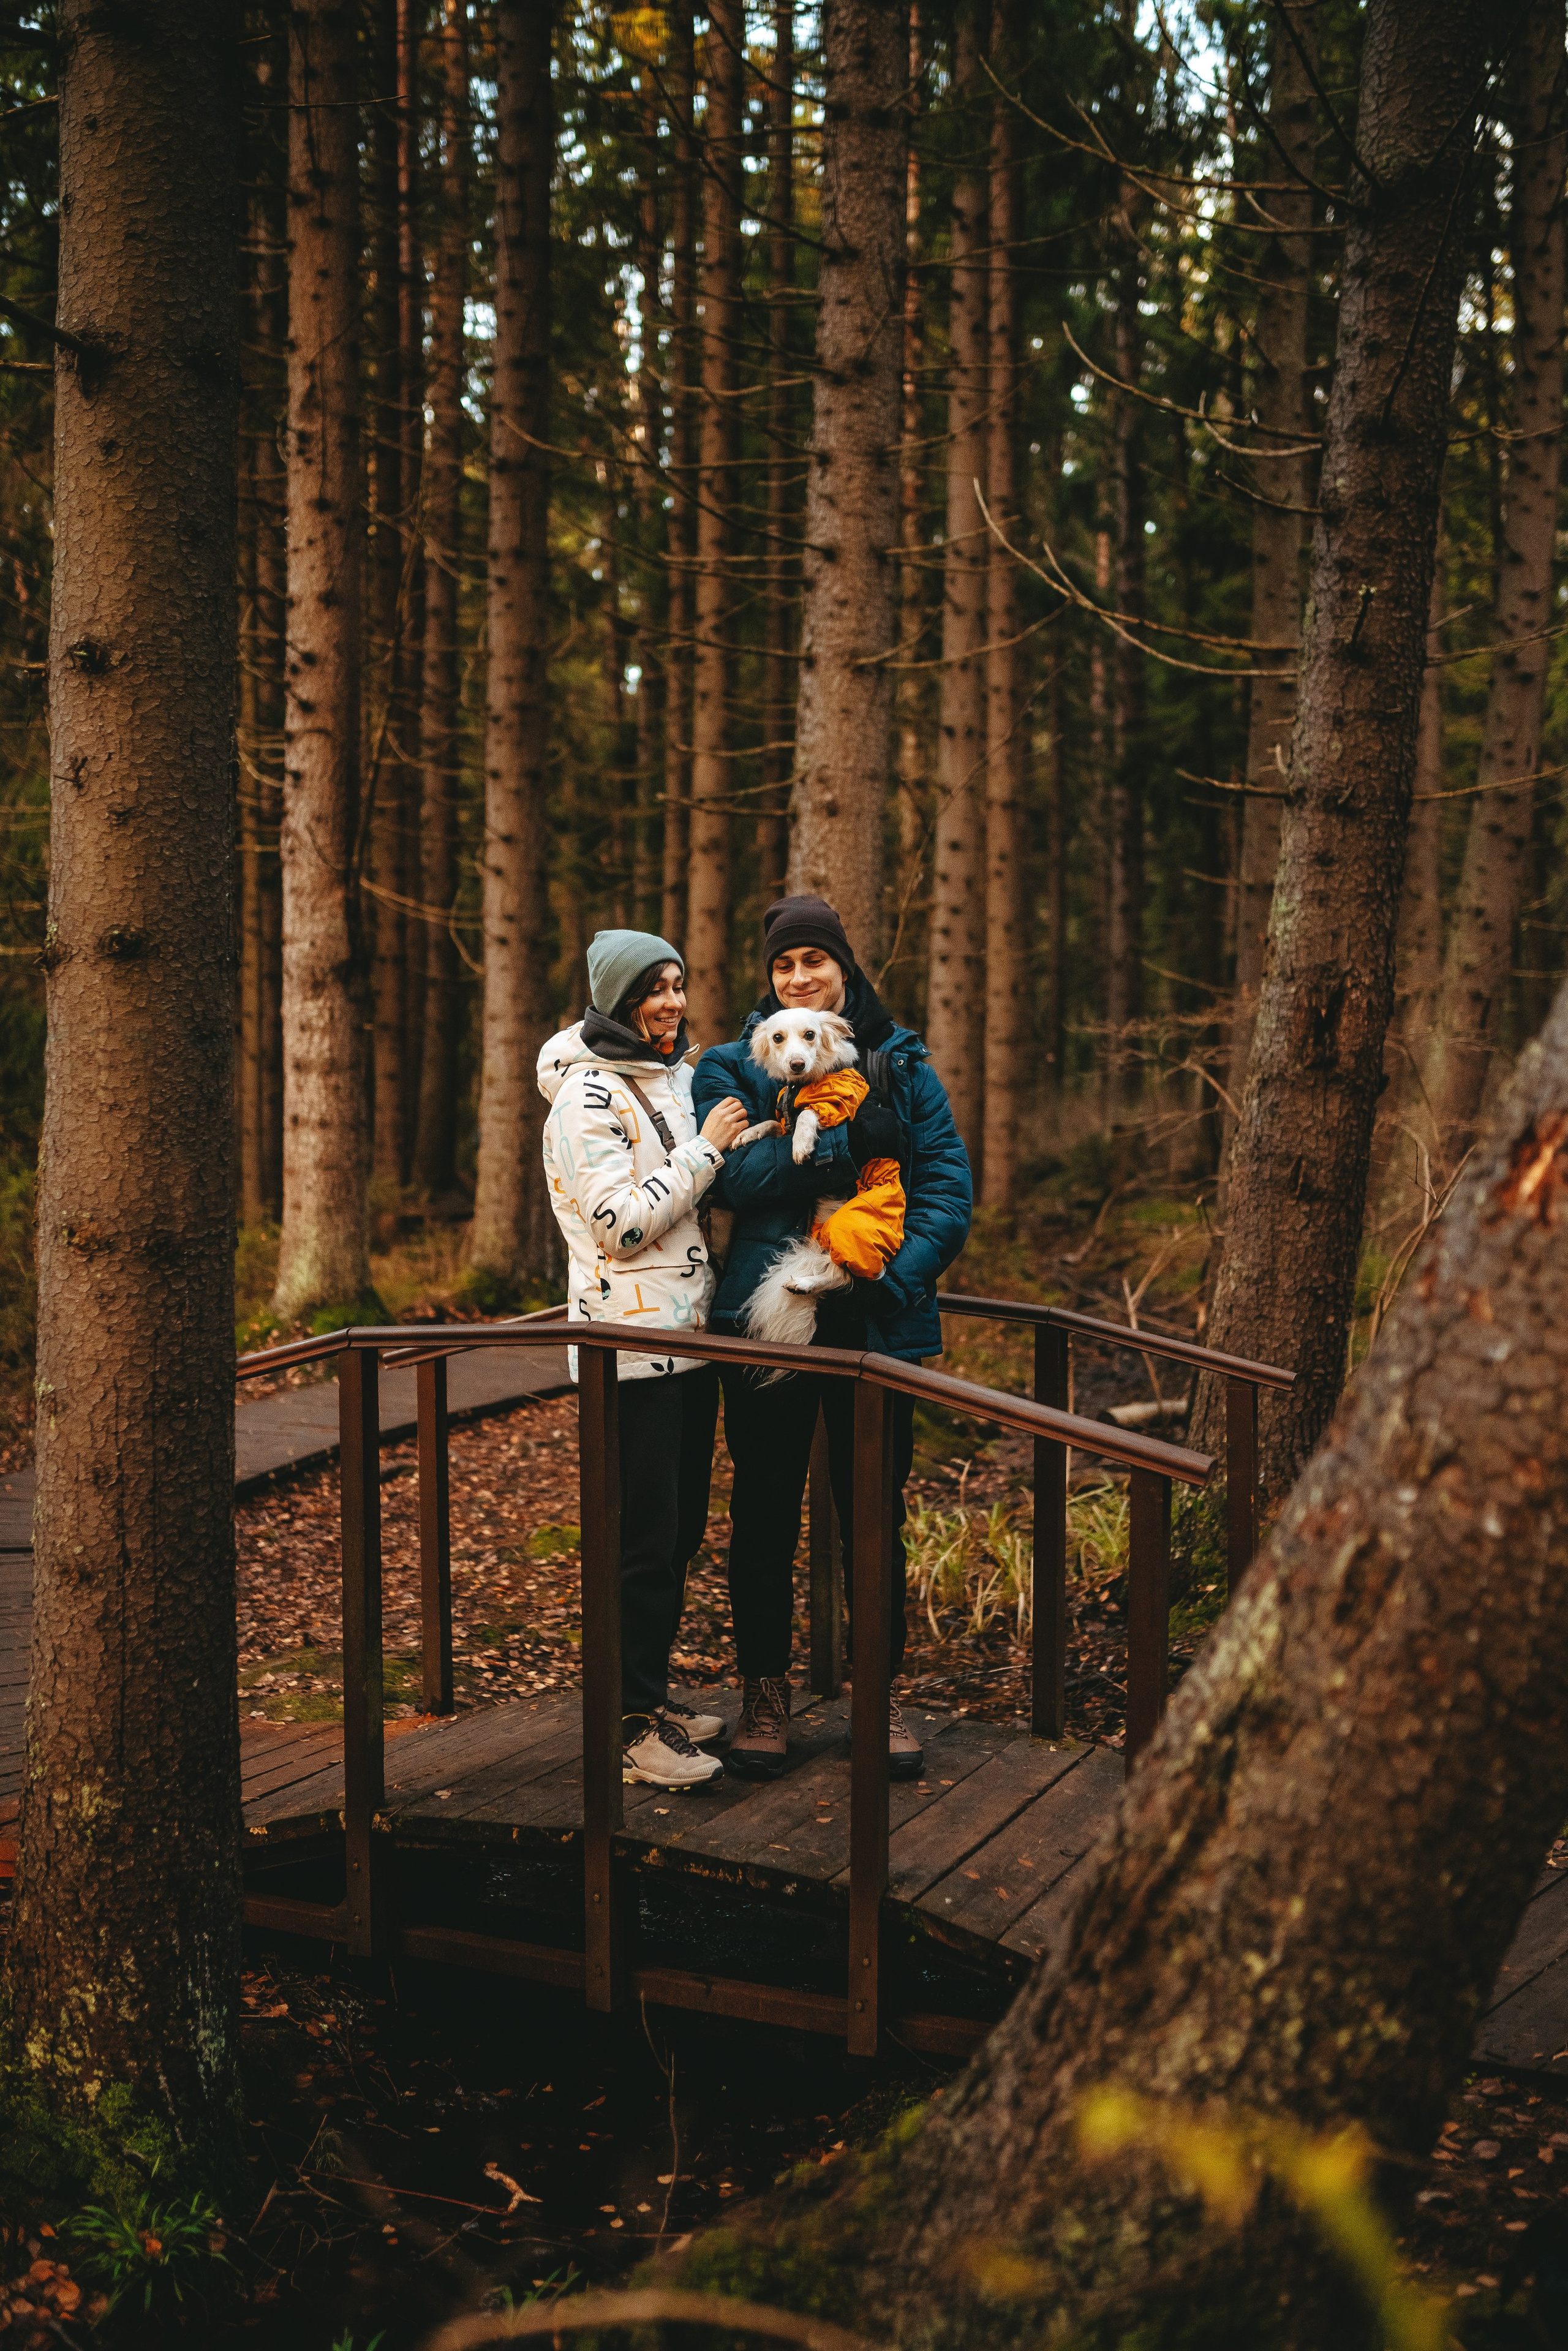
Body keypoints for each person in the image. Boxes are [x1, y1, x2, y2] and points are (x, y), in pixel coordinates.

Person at [692, 896, 973, 1781]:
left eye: (814, 959)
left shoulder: (905, 1068)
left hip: (875, 1320)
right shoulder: (732, 1068)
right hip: (766, 1322)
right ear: (769, 982)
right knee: (763, 1513)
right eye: (784, 965)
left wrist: (890, 1272)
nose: (799, 975)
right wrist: (841, 1145)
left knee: (871, 1516)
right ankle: (764, 1693)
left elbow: (946, 1196)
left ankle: (879, 1696)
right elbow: (728, 1178)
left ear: (844, 971)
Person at [538, 928, 750, 1791]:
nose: (671, 1002)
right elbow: (617, 1226)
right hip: (626, 1355)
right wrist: (706, 1149)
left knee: (676, 1538)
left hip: (685, 1343)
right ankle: (629, 1729)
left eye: (678, 985)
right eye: (653, 990)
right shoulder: (587, 1097)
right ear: (618, 1001)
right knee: (640, 1544)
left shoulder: (667, 1075)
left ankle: (648, 1695)